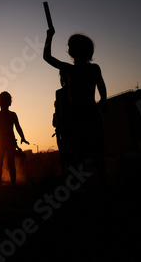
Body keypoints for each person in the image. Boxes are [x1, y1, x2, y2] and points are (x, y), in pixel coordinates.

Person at [43, 28, 107, 182]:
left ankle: (90, 182)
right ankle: (96, 182)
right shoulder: (88, 68)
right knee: (89, 152)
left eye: (72, 46)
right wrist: (103, 104)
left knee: (85, 152)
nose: (69, 49)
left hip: (80, 115)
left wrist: (49, 37)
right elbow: (102, 90)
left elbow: (47, 57)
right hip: (86, 114)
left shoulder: (72, 69)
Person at [0, 91, 29, 187]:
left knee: (10, 162)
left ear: (9, 103)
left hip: (10, 141)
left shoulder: (12, 115)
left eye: (6, 100)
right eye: (2, 100)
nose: (4, 102)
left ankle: (12, 183)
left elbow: (18, 127)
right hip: (1, 141)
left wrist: (23, 137)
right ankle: (0, 181)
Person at [53, 70, 74, 176]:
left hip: (70, 126)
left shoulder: (64, 92)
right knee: (68, 153)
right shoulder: (59, 93)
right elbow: (58, 112)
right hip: (66, 127)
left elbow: (58, 112)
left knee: (70, 153)